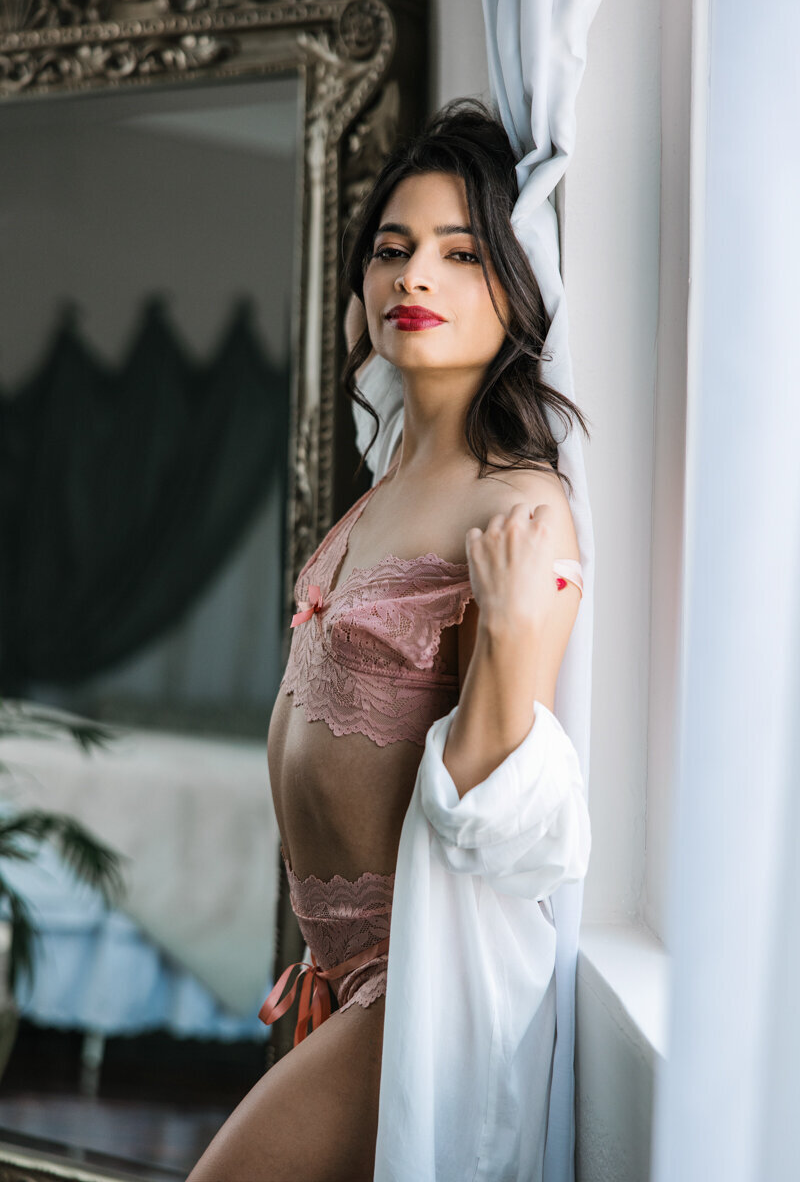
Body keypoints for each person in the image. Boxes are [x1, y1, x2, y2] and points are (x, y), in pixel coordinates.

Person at [186, 98, 591, 1182]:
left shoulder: (518, 510)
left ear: (514, 295)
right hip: (332, 980)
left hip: (414, 985)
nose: (414, 277)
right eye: (392, 249)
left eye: (461, 255)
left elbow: (499, 814)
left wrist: (506, 637)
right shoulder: (376, 497)